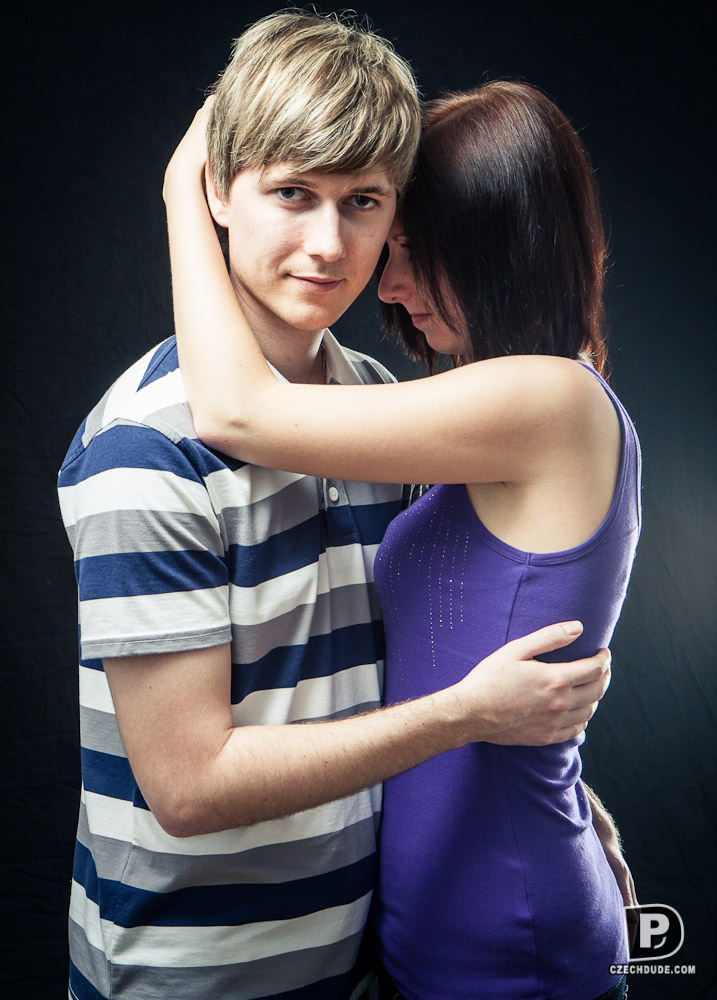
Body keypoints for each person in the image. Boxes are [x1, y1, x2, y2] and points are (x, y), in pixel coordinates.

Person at [58, 13, 614, 1000]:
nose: (328, 245)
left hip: (362, 960)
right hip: (197, 976)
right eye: (291, 194)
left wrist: (562, 793)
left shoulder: (379, 407)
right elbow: (188, 788)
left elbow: (439, 646)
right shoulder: (146, 444)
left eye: (361, 201)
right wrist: (467, 715)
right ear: (218, 192)